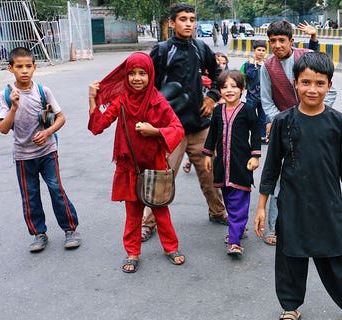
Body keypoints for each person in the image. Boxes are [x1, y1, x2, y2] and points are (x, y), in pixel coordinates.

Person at [254, 51, 342, 320]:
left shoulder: (338, 122)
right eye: (305, 82)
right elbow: (270, 169)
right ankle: (290, 307)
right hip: (292, 205)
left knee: (341, 255)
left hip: (329, 203)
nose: (312, 90)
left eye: (319, 83)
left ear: (329, 85)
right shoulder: (283, 121)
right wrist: (261, 207)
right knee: (290, 256)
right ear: (296, 83)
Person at [88, 52, 185, 273]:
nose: (137, 78)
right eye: (131, 73)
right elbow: (97, 126)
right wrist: (92, 100)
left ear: (150, 75)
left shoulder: (158, 101)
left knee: (160, 210)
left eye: (142, 73)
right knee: (133, 214)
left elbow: (178, 129)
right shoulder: (120, 101)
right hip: (129, 167)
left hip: (155, 165)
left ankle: (171, 247)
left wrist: (156, 131)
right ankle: (132, 252)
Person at [143, 3, 228, 242]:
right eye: (183, 19)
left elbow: (217, 75)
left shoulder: (201, 48)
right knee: (162, 176)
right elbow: (148, 84)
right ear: (172, 23)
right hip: (171, 129)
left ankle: (218, 212)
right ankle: (148, 223)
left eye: (192, 19)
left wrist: (212, 98)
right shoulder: (161, 50)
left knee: (209, 174)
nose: (188, 23)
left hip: (200, 126)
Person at [0, 46, 80, 253]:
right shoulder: (5, 95)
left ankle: (70, 230)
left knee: (56, 190)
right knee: (30, 195)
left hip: (47, 152)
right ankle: (38, 234)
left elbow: (61, 118)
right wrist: (13, 107)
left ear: (35, 67)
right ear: (10, 68)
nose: (24, 71)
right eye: (19, 67)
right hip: (23, 156)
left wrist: (48, 132)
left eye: (28, 66)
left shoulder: (43, 91)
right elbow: (3, 129)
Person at [259, 20, 336, 246]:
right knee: (280, 177)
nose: (277, 45)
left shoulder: (304, 58)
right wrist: (281, 121)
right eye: (272, 41)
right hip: (285, 128)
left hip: (315, 126)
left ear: (291, 41)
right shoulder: (267, 67)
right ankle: (273, 226)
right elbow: (267, 101)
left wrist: (317, 114)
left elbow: (328, 92)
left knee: (319, 174)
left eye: (282, 40)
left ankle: (319, 223)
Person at [203, 70, 261, 256]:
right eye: (224, 87)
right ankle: (240, 228)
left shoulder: (248, 110)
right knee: (228, 198)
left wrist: (255, 156)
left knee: (239, 201)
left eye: (234, 86)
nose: (229, 90)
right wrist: (207, 154)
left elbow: (256, 132)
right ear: (219, 90)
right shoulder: (218, 110)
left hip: (241, 164)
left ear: (242, 89)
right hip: (222, 164)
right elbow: (212, 134)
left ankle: (234, 241)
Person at [240, 40, 268, 143]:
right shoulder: (248, 64)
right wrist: (252, 65)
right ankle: (246, 136)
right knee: (250, 118)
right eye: (259, 50)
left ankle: (262, 136)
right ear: (254, 51)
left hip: (264, 98)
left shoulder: (266, 65)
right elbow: (250, 76)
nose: (261, 52)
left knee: (263, 119)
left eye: (263, 50)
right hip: (251, 97)